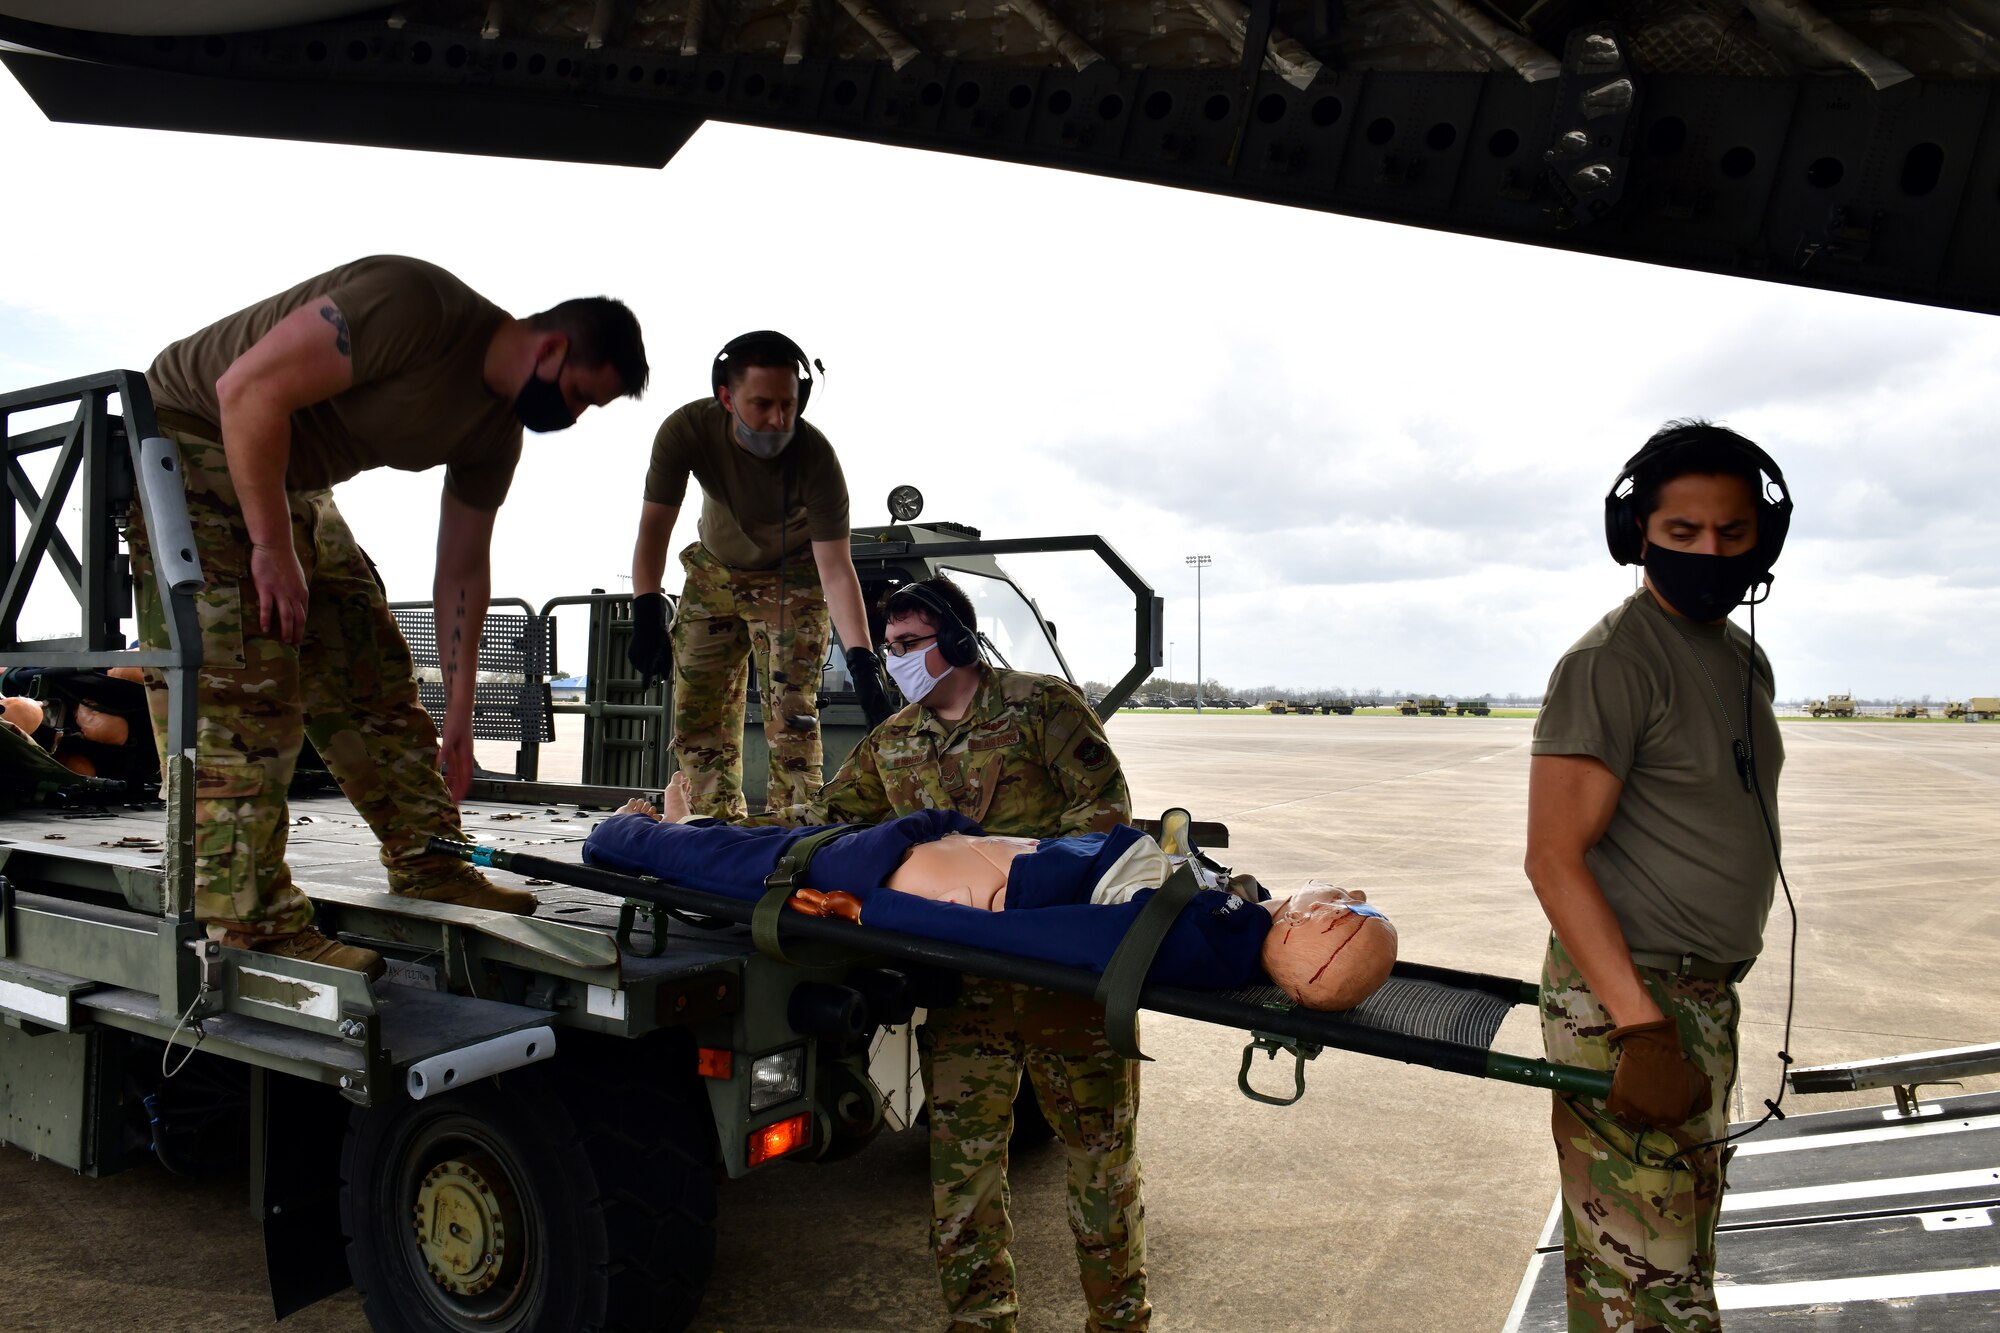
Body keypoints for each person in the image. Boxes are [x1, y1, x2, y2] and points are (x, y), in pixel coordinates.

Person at [130, 254, 648, 976]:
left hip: (292, 479)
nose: (575, 415)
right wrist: (270, 546)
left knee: (371, 677)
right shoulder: (417, 306)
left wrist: (461, 715)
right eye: (581, 395)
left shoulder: (493, 432)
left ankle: (430, 861)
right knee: (243, 696)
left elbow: (461, 569)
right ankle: (248, 925)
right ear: (553, 347)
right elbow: (245, 389)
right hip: (194, 439)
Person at [720, 574, 1145, 1333]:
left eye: (911, 643)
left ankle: (1119, 1322)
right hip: (964, 995)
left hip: (1063, 986)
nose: (897, 661)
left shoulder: (1041, 707)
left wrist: (1005, 873)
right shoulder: (895, 740)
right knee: (961, 1176)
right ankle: (980, 1321)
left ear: (955, 639)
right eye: (889, 648)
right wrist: (719, 833)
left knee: (1101, 1169)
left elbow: (1107, 817)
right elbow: (827, 821)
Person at [1524, 420, 1792, 1333]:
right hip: (1631, 1001)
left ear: (1764, 539)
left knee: (1676, 1269)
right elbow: (1553, 856)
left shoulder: (1740, 656)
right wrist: (1639, 1028)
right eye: (1683, 532)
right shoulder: (1612, 662)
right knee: (1646, 1292)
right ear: (1636, 533)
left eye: (1732, 532)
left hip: (1698, 1002)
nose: (1709, 552)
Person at [589, 796, 1400, 1009]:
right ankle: (672, 824)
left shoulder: (1190, 936)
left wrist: (871, 914)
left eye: (1343, 902)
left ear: (1316, 924)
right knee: (752, 847)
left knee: (735, 862)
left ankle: (622, 833)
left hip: (905, 879)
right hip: (932, 857)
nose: (1346, 890)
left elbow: (1034, 943)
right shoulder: (1229, 924)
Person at [626, 331, 893, 821]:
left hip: (792, 573)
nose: (778, 419)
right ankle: (708, 828)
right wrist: (645, 609)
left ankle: (793, 833)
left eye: (788, 404)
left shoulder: (816, 459)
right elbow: (653, 529)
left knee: (792, 712)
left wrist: (862, 660)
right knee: (697, 713)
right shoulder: (686, 431)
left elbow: (836, 569)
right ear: (727, 398)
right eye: (762, 404)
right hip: (713, 571)